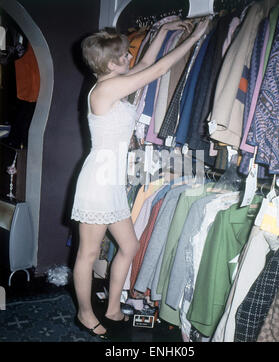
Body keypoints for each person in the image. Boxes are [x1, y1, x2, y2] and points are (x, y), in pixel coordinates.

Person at [71, 17, 210, 340]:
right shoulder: (106, 88)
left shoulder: (112, 82)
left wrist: (162, 33)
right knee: (87, 254)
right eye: (122, 55)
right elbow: (158, 70)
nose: (128, 58)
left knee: (129, 246)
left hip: (111, 179)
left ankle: (113, 307)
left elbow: (148, 62)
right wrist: (197, 38)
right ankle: (85, 312)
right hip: (98, 181)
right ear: (108, 62)